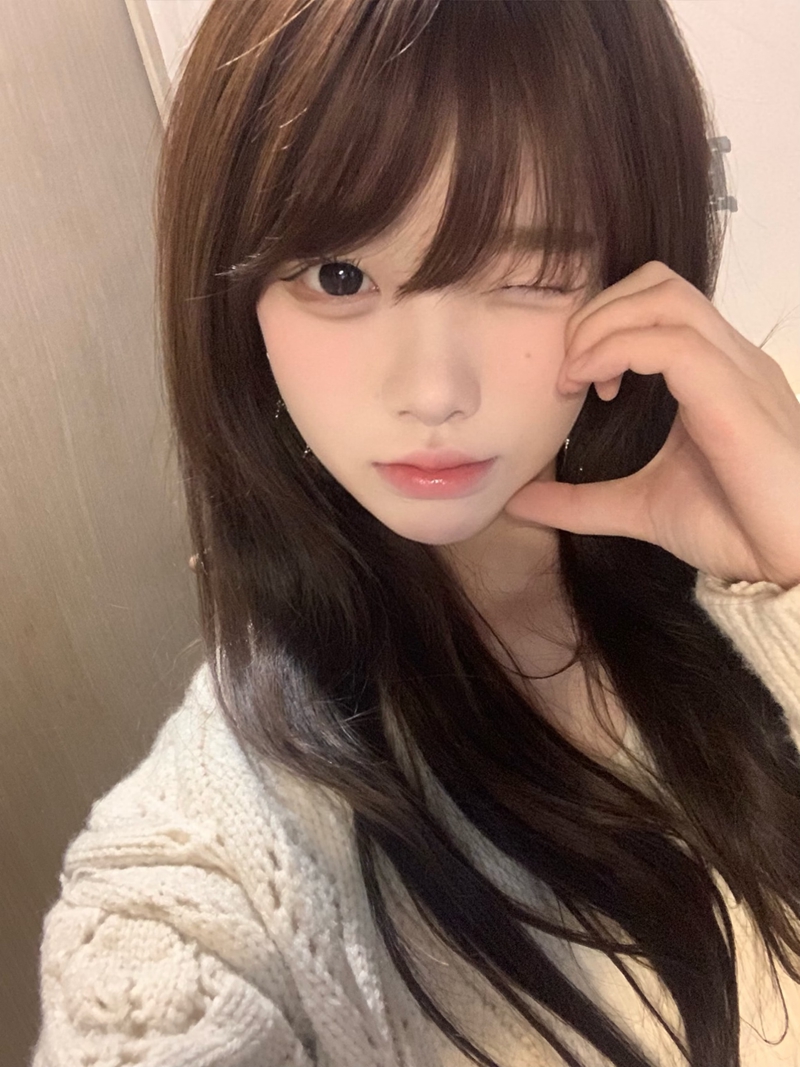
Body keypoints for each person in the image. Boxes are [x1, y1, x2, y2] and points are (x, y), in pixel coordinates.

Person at [33, 2, 800, 1065]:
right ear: (236, 301)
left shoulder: (739, 574)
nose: (434, 391)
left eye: (525, 270)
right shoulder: (206, 875)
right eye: (340, 277)